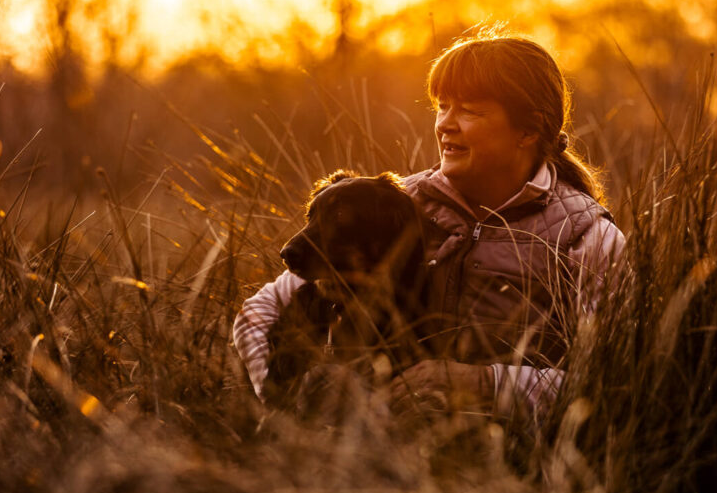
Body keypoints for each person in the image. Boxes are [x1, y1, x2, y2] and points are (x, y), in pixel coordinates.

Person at [233, 31, 624, 424]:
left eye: (469, 110)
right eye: (442, 107)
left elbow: (606, 383)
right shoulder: (395, 205)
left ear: (528, 130)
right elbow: (260, 313)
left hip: (521, 467)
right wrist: (288, 409)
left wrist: (482, 383)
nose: (446, 125)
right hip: (376, 458)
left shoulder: (586, 236)